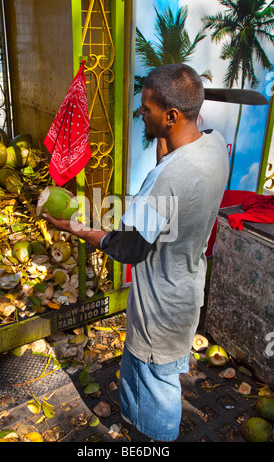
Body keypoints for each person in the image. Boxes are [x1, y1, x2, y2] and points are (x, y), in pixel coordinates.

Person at [42, 63, 229, 441]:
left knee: (156, 392)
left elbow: (126, 247)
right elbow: (175, 175)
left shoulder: (166, 180)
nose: (141, 114)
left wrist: (73, 228)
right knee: (154, 372)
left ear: (172, 116)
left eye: (147, 109)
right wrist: (162, 140)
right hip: (187, 289)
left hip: (159, 308)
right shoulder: (213, 144)